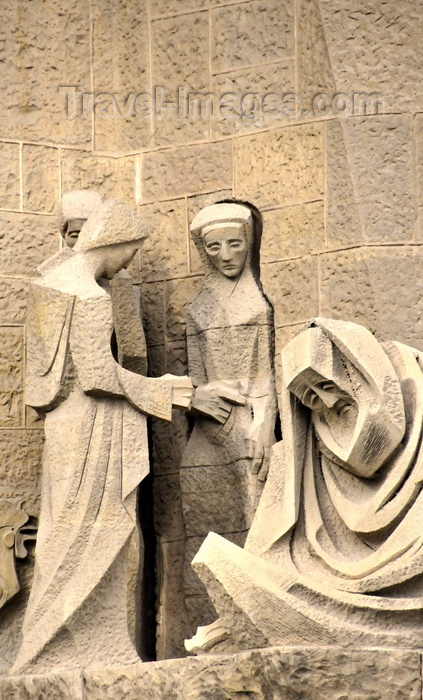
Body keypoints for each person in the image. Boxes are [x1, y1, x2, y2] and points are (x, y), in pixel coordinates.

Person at [13, 199, 193, 674]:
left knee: (64, 531)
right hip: (96, 422)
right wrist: (160, 391)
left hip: (64, 425)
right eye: (129, 253)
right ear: (112, 242)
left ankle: (49, 645)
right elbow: (99, 375)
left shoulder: (50, 285)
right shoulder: (91, 295)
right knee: (99, 528)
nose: (129, 263)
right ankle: (72, 647)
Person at [188, 318, 423, 650]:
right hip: (333, 577)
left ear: (353, 369)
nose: (326, 403)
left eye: (326, 385)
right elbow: (273, 539)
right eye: (310, 398)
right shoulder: (316, 437)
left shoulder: (411, 381)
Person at [180, 201, 278, 633]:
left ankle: (257, 618)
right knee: (204, 516)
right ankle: (215, 619)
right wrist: (195, 396)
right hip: (208, 430)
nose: (226, 255)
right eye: (215, 247)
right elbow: (195, 379)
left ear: (249, 243)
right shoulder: (197, 310)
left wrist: (263, 424)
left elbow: (265, 376)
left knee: (254, 516)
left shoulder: (258, 306)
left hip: (246, 424)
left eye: (235, 244)